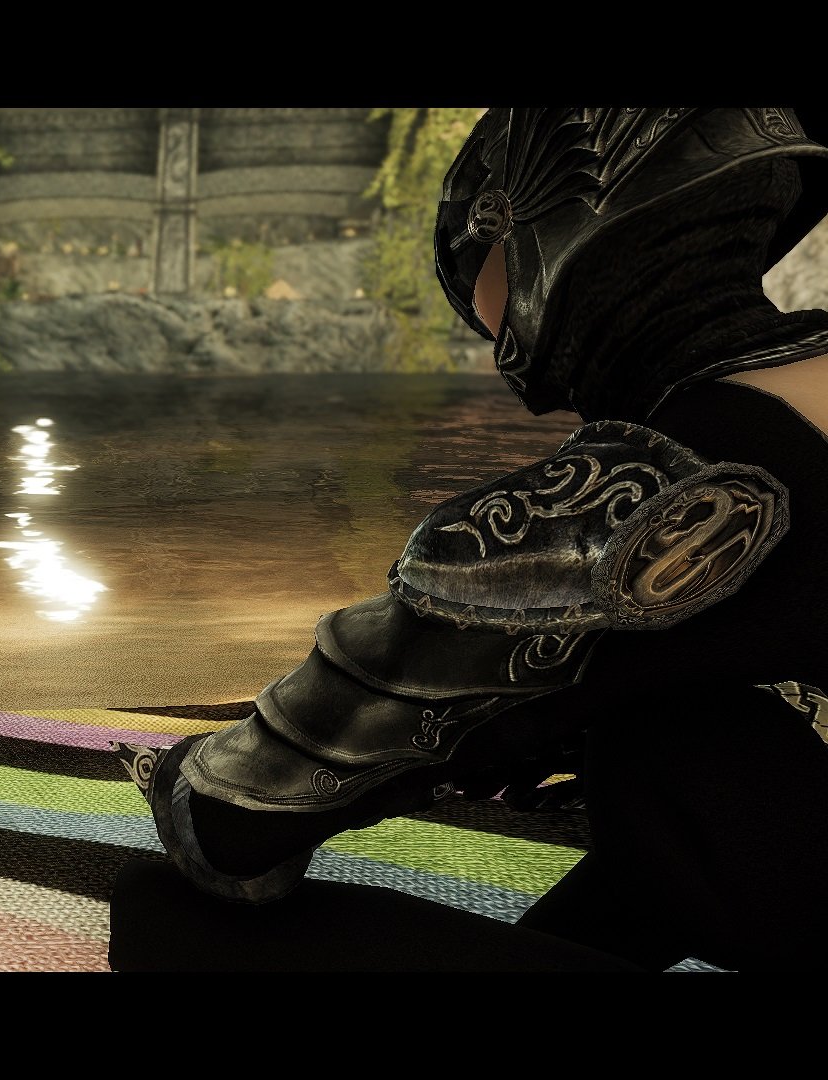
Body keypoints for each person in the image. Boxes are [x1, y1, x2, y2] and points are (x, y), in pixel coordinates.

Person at [111, 107, 828, 972]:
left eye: (476, 275)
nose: (515, 365)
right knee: (681, 745)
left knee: (160, 914)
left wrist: (191, 779)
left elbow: (233, 820)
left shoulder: (651, 484)